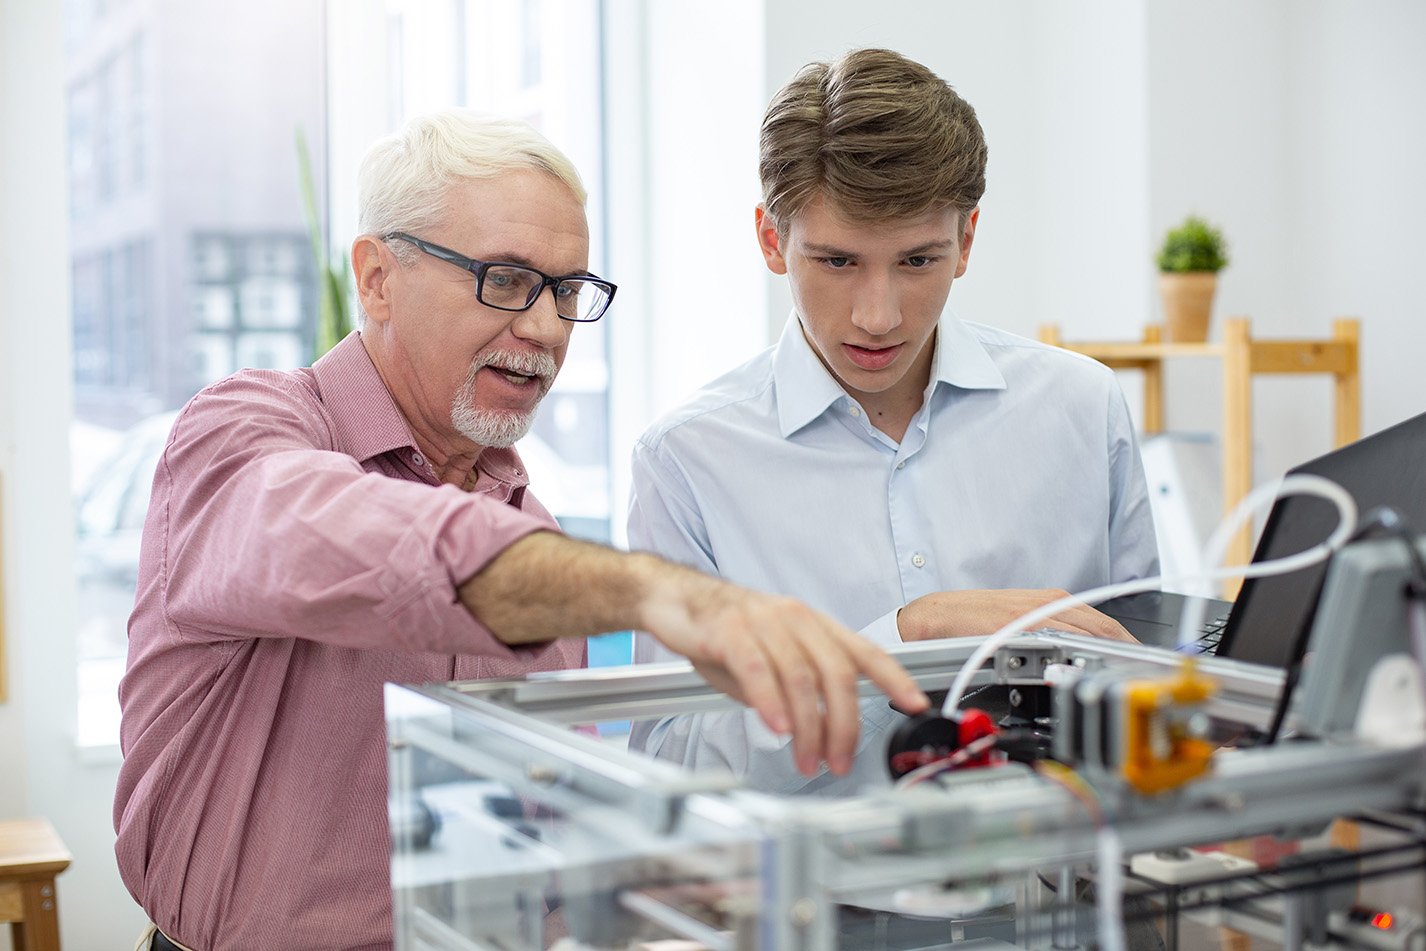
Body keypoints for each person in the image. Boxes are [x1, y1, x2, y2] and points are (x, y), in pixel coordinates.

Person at [112, 109, 928, 951]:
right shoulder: (244, 430)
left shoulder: (528, 526)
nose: (545, 328)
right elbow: (337, 537)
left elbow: (533, 855)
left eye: (567, 291)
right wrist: (654, 592)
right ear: (378, 278)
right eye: (504, 279)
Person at [628, 49, 1159, 795]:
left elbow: (1150, 664)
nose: (878, 317)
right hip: (821, 872)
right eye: (838, 262)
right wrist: (906, 638)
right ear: (772, 241)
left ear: (966, 242)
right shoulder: (686, 459)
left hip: (1066, 858)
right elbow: (671, 764)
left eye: (916, 262)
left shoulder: (1082, 405)